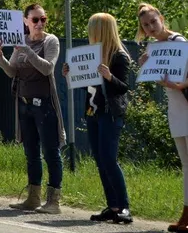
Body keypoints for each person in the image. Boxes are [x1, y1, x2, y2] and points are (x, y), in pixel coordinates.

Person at [137, 3, 188, 232]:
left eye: (153, 22)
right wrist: (146, 68)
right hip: (175, 108)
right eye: (146, 25)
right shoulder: (153, 47)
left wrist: (180, 85)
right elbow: (161, 80)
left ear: (162, 18)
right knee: (187, 164)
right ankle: (187, 214)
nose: (150, 27)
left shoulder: (178, 41)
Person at [0, 3, 64, 213]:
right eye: (35, 20)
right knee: (31, 152)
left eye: (43, 19)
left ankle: (54, 201)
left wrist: (29, 52)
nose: (40, 24)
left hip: (44, 105)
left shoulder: (50, 40)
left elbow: (48, 68)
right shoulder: (21, 41)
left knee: (51, 151)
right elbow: (12, 71)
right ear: (26, 21)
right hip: (24, 105)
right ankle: (33, 198)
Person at [72, 13, 133, 225]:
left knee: (109, 159)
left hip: (110, 113)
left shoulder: (119, 56)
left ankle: (124, 206)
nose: (89, 32)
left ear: (100, 30)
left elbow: (123, 87)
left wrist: (109, 76)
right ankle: (113, 206)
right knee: (100, 161)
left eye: (92, 28)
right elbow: (88, 84)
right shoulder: (91, 54)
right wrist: (71, 74)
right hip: (93, 112)